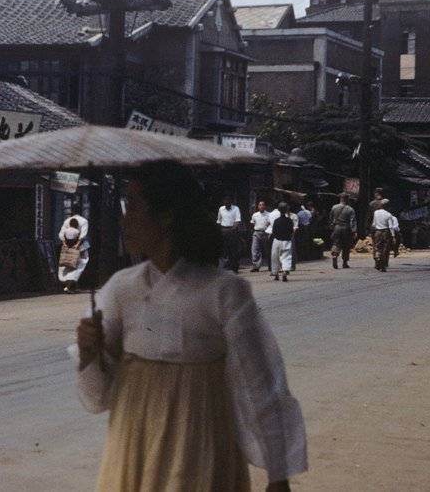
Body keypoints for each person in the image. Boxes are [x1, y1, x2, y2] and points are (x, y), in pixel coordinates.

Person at [74, 161, 308, 491]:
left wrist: (277, 472)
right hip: (131, 443)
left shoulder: (224, 291)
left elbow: (260, 385)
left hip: (198, 443)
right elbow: (98, 399)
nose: (125, 219)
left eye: (135, 206)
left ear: (167, 214)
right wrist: (88, 353)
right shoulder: (120, 288)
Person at [59, 205, 90, 293]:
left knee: (67, 264)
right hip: (81, 247)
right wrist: (77, 245)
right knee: (80, 264)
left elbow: (61, 235)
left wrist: (65, 243)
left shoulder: (66, 221)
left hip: (67, 247)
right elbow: (82, 235)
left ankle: (69, 285)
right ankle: (70, 286)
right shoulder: (84, 221)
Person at [329, 193, 357, 269]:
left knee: (336, 243)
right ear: (347, 199)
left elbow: (331, 218)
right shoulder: (350, 209)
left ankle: (335, 255)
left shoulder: (334, 207)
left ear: (340, 199)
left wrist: (331, 227)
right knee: (346, 245)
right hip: (346, 229)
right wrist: (354, 231)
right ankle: (345, 262)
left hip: (337, 228)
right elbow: (352, 221)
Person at [270, 202, 296, 282]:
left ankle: (276, 274)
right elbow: (291, 231)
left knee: (275, 257)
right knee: (286, 257)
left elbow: (274, 231)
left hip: (277, 241)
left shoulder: (276, 221)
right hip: (287, 241)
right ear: (286, 210)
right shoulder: (289, 220)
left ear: (278, 210)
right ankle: (285, 271)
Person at [217, 195, 243, 273]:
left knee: (234, 250)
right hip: (223, 230)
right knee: (224, 250)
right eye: (225, 201)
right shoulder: (221, 209)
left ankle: (234, 268)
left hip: (232, 231)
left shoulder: (236, 208)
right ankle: (225, 268)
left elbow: (237, 220)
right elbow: (219, 221)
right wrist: (220, 231)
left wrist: (232, 229)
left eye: (228, 202)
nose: (226, 203)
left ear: (231, 202)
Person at [371, 203, 398, 272]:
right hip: (386, 233)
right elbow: (391, 227)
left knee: (378, 248)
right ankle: (382, 265)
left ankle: (377, 260)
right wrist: (393, 236)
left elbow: (374, 224)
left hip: (377, 232)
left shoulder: (376, 213)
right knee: (385, 249)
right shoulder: (388, 215)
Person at [250, 200, 272, 272]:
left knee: (267, 250)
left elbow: (270, 224)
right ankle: (256, 266)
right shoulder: (255, 215)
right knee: (255, 250)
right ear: (258, 206)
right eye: (260, 205)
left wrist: (269, 233)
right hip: (257, 233)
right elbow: (252, 223)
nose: (261, 206)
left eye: (263, 205)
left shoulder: (269, 214)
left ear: (265, 206)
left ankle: (271, 266)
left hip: (266, 233)